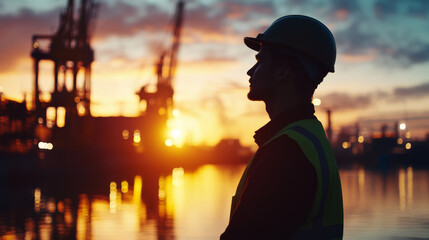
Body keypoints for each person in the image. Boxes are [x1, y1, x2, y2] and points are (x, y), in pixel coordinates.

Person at [220, 15, 344, 240]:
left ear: (282, 72)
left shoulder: (286, 152)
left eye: (260, 61)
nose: (250, 72)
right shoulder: (310, 138)